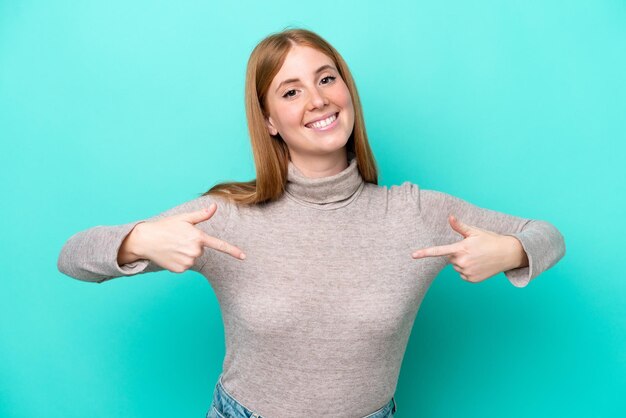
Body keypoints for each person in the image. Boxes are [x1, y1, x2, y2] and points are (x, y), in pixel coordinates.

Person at [57, 28, 566, 418]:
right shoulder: (224, 215)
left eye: (326, 79)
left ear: (346, 90)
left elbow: (547, 235)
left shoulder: (416, 211)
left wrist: (510, 252)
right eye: (291, 91)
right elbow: (74, 257)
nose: (318, 99)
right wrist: (138, 241)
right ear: (270, 121)